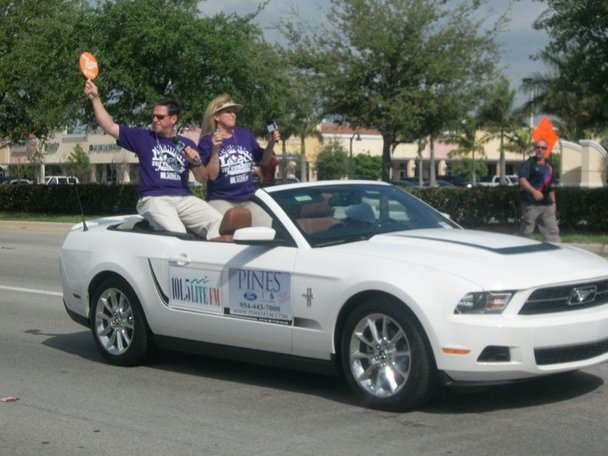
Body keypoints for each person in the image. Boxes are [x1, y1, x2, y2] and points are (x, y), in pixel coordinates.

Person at [83, 80, 222, 239]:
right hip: (154, 198)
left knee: (219, 222)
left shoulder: (187, 144)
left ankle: (205, 253)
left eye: (160, 117)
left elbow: (203, 179)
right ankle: (151, 233)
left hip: (184, 198)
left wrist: (196, 161)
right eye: (153, 116)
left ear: (173, 119)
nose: (154, 120)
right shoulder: (143, 137)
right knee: (177, 233)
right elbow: (109, 126)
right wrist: (95, 99)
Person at [197, 94, 280, 226]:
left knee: (270, 226)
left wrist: (270, 144)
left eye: (234, 112)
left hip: (247, 199)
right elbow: (211, 176)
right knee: (229, 228)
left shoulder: (245, 135)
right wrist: (215, 150)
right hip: (221, 200)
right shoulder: (207, 141)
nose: (233, 115)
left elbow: (263, 161)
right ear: (216, 117)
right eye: (228, 111)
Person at [518, 138, 561, 242]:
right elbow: (522, 180)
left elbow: (551, 185)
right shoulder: (529, 164)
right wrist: (534, 191)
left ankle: (555, 250)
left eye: (543, 148)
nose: (540, 150)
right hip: (531, 204)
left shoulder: (549, 166)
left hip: (547, 205)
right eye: (538, 147)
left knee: (553, 232)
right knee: (526, 232)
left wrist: (553, 202)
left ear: (546, 150)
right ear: (535, 149)